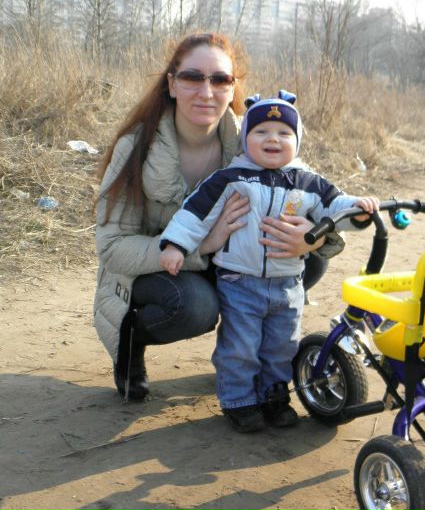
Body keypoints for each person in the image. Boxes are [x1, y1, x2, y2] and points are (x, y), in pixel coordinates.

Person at [94, 32, 343, 402]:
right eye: (192, 77)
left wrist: (313, 235)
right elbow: (112, 247)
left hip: (229, 260)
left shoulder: (255, 136)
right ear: (172, 84)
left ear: (233, 87)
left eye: (220, 79)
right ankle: (132, 338)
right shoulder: (137, 146)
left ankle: (245, 355)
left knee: (310, 261)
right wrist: (201, 246)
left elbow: (312, 191)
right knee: (195, 307)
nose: (206, 91)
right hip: (154, 267)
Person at [159, 91, 380, 432]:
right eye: (261, 131)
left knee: (282, 347)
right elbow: (196, 212)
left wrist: (359, 210)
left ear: (297, 140)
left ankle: (274, 397)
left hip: (288, 284)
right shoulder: (232, 178)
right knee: (241, 346)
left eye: (283, 133)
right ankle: (239, 401)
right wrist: (176, 244)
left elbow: (336, 205)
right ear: (246, 138)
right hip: (239, 282)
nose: (272, 139)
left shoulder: (308, 182)